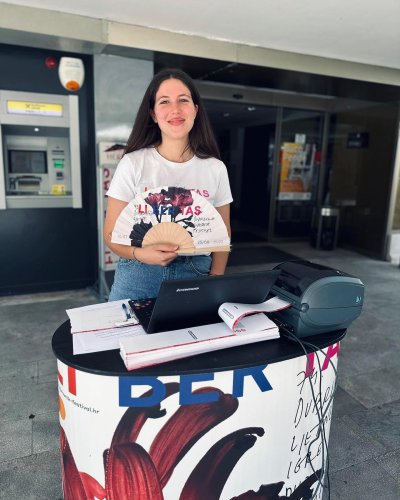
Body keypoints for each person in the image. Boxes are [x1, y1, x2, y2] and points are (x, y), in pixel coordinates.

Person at [104, 68, 232, 301]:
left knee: (193, 337)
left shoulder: (216, 169)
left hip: (196, 272)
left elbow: (223, 234)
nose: (175, 109)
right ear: (153, 113)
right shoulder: (133, 163)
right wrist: (140, 254)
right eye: (165, 102)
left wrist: (216, 278)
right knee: (126, 337)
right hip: (138, 273)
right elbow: (111, 234)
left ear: (195, 109)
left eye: (183, 100)